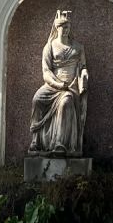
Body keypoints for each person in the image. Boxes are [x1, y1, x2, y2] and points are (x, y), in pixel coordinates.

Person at [28, 10, 89, 156]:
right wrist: (58, 84)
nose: (66, 30)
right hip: (53, 84)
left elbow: (83, 66)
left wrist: (84, 75)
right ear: (57, 28)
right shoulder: (49, 46)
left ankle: (60, 144)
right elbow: (46, 71)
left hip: (71, 86)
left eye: (68, 27)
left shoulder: (78, 47)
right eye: (63, 27)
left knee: (66, 102)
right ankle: (36, 141)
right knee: (37, 99)